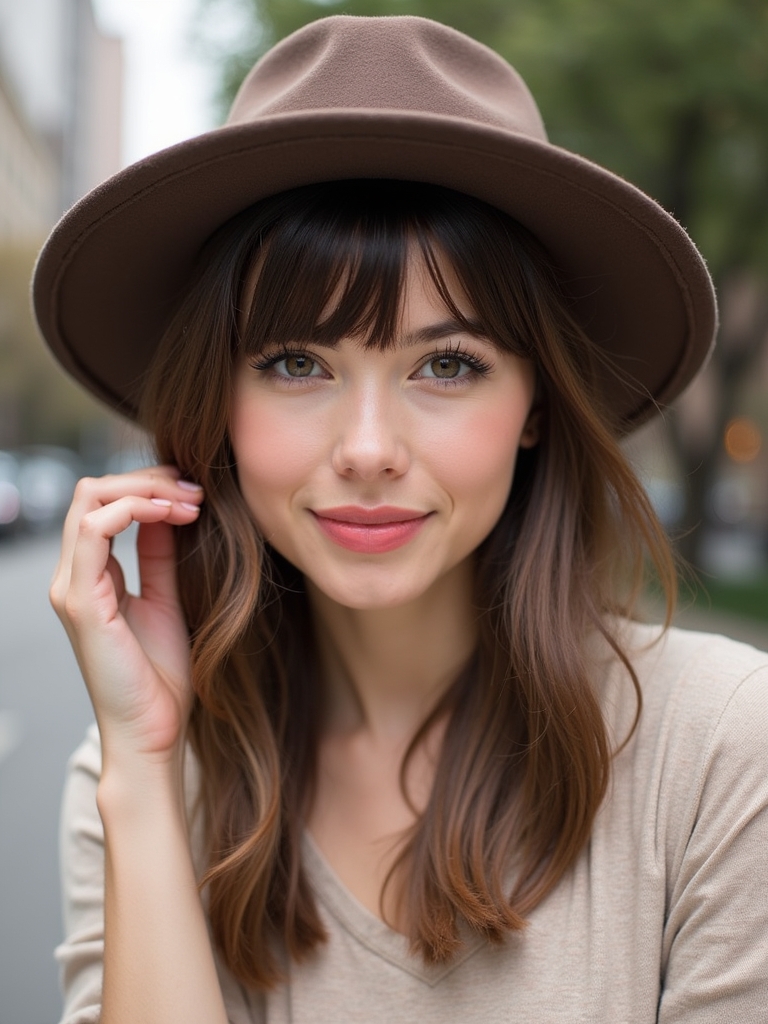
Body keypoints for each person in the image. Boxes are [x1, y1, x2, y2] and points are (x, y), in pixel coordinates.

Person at [33, 15, 767, 1024]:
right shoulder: (146, 769)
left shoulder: (723, 747)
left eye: (447, 364)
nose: (368, 445)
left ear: (536, 405)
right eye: (297, 364)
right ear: (218, 408)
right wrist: (147, 778)